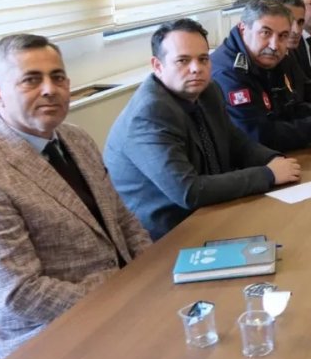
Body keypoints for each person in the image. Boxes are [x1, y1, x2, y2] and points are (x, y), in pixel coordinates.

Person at [0, 34, 201, 359]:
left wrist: (153, 277)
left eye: (58, 77)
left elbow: (123, 220)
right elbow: (21, 294)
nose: (49, 89)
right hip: (47, 332)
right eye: (31, 79)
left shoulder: (75, 139)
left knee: (219, 333)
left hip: (121, 299)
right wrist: (126, 294)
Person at [105, 19, 300, 241]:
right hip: (167, 234)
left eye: (203, 59)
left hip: (211, 212)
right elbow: (189, 191)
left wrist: (273, 160)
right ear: (158, 66)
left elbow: (236, 142)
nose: (196, 68)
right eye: (183, 60)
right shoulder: (148, 114)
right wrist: (268, 174)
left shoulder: (208, 90)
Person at [210, 0, 311, 151]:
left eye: (283, 36)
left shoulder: (266, 58)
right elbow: (257, 136)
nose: (274, 45)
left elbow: (286, 108)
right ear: (243, 29)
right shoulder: (229, 72)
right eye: (265, 33)